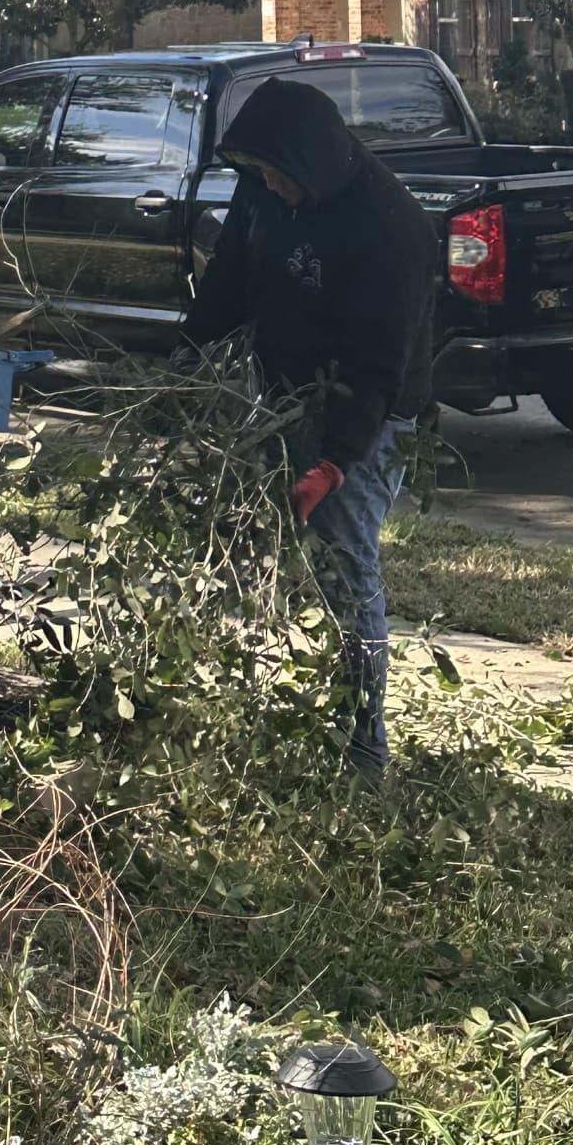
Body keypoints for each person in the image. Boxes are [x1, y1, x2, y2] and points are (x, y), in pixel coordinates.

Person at [184, 75, 436, 779]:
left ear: (311, 162)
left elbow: (379, 367)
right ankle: (299, 718)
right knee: (277, 564)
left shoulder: (390, 226)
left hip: (369, 416)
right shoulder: (267, 184)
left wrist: (334, 463)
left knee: (346, 570)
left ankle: (364, 754)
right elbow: (230, 280)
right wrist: (184, 360)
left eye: (276, 174)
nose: (268, 185)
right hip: (287, 395)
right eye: (259, 173)